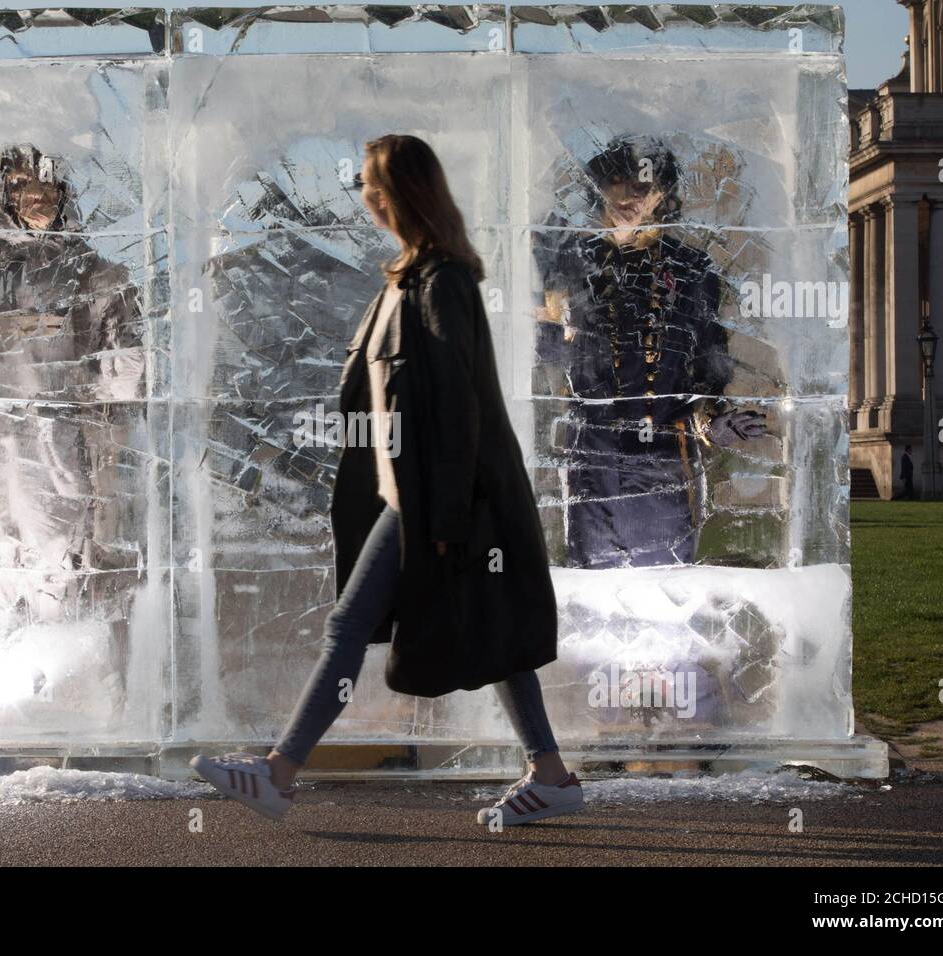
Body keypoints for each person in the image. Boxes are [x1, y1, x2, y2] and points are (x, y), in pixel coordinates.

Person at [191, 134, 581, 826]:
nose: (367, 197)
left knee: (353, 626)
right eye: (365, 185)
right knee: (489, 629)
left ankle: (279, 774)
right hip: (420, 495)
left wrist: (450, 524)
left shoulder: (442, 282)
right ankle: (550, 773)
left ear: (407, 192)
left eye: (377, 185)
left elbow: (459, 405)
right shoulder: (406, 278)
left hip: (440, 501)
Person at [532, 135, 765, 568]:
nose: (633, 195)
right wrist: (549, 311)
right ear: (599, 187)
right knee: (595, 589)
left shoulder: (692, 270)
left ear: (664, 194)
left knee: (664, 587)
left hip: (664, 463)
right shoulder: (569, 261)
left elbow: (707, 364)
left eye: (647, 184)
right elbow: (547, 358)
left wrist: (713, 422)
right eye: (619, 181)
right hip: (593, 459)